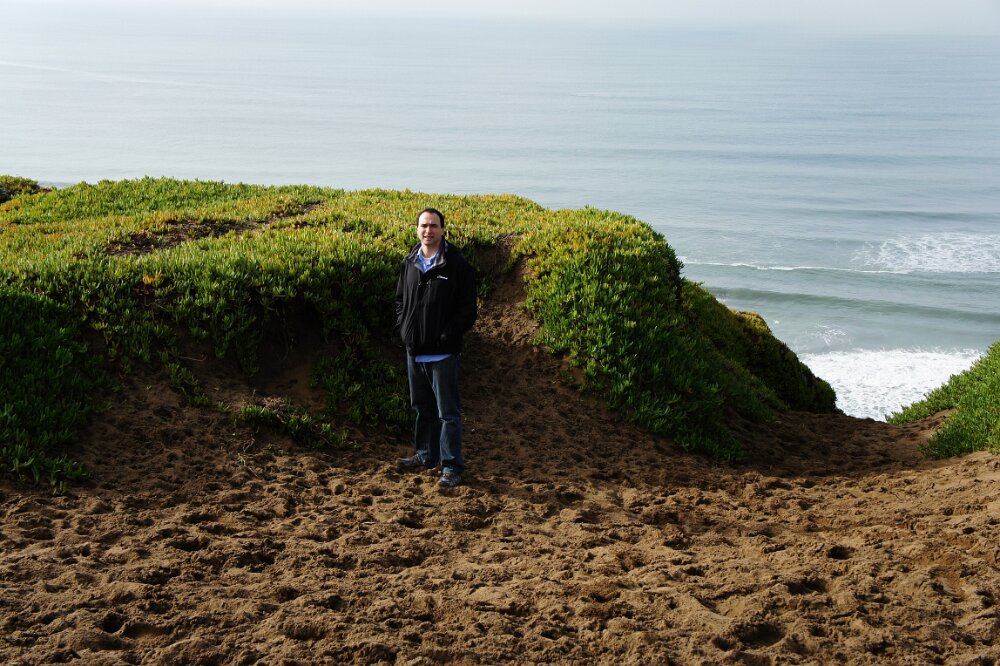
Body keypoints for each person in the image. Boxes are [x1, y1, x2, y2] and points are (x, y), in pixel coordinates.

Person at [395, 207, 478, 487]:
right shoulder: (410, 261)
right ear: (417, 229)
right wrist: (404, 329)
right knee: (422, 407)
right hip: (415, 350)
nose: (428, 230)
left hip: (443, 353)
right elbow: (400, 300)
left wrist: (447, 334)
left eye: (433, 226)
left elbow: (468, 309)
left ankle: (452, 466)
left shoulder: (457, 265)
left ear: (443, 230)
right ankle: (425, 455)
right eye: (423, 225)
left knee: (447, 413)